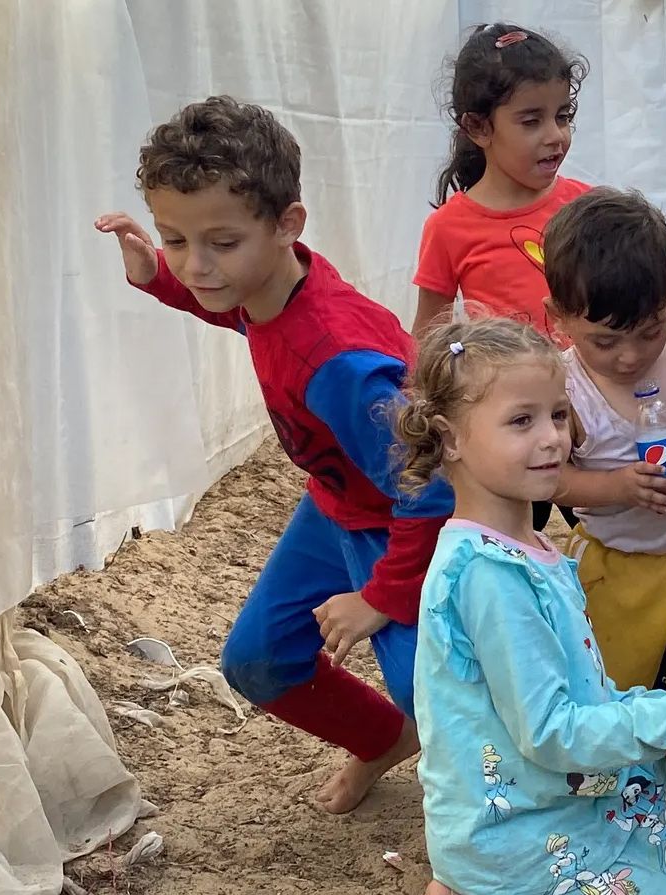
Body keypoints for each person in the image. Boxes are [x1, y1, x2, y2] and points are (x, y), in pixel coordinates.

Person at [92, 96, 452, 815]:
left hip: (408, 523)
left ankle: (513, 815)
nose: (197, 265)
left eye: (221, 242)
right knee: (257, 660)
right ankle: (384, 739)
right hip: (339, 505)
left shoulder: (341, 365)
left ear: (288, 225)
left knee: (437, 694)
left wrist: (379, 598)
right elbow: (231, 304)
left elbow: (432, 485)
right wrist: (155, 274)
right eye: (175, 238)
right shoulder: (271, 286)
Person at [392, 316, 666, 895]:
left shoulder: (528, 546)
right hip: (522, 831)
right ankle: (473, 883)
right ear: (449, 438)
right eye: (522, 421)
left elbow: (587, 696)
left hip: (570, 787)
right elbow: (552, 733)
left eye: (558, 414)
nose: (552, 438)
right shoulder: (488, 575)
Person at [543, 188, 666, 865]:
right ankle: (618, 796)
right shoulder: (566, 392)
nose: (630, 356)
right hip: (618, 563)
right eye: (605, 339)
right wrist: (615, 488)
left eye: (647, 330)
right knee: (615, 686)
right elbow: (550, 479)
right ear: (559, 318)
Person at [415, 22, 591, 534]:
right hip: (513, 421)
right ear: (478, 128)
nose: (555, 135)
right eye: (531, 120)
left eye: (562, 116)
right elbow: (428, 334)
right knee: (508, 542)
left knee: (614, 535)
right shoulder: (450, 227)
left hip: (589, 410)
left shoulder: (586, 206)